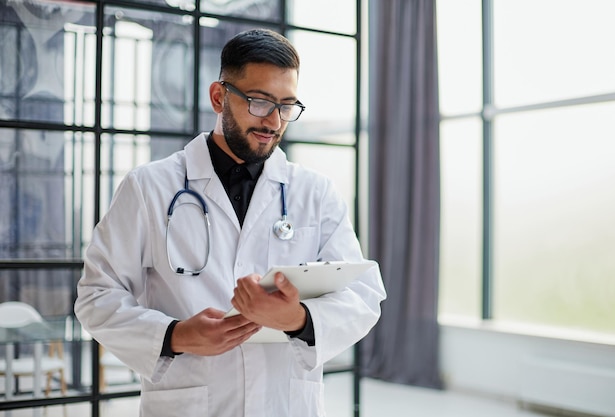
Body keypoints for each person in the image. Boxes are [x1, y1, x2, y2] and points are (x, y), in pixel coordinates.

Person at [74, 28, 386, 417]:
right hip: (190, 403)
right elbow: (96, 297)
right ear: (219, 97)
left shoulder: (315, 193)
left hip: (284, 405)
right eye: (259, 101)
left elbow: (363, 295)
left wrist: (299, 320)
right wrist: (175, 335)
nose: (274, 120)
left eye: (287, 105)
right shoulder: (148, 187)